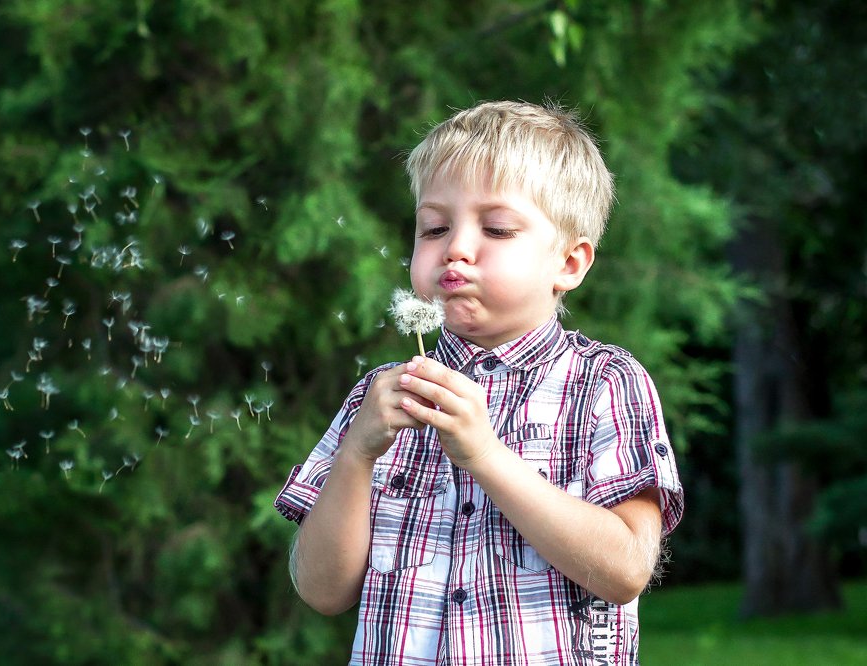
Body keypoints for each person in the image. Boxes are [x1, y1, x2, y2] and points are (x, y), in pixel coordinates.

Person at [274, 100, 684, 665]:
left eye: (496, 228)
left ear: (569, 264)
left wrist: (486, 455)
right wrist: (356, 455)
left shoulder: (604, 383)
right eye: (434, 227)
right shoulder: (382, 398)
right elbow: (322, 591)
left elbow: (625, 570)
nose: (456, 248)